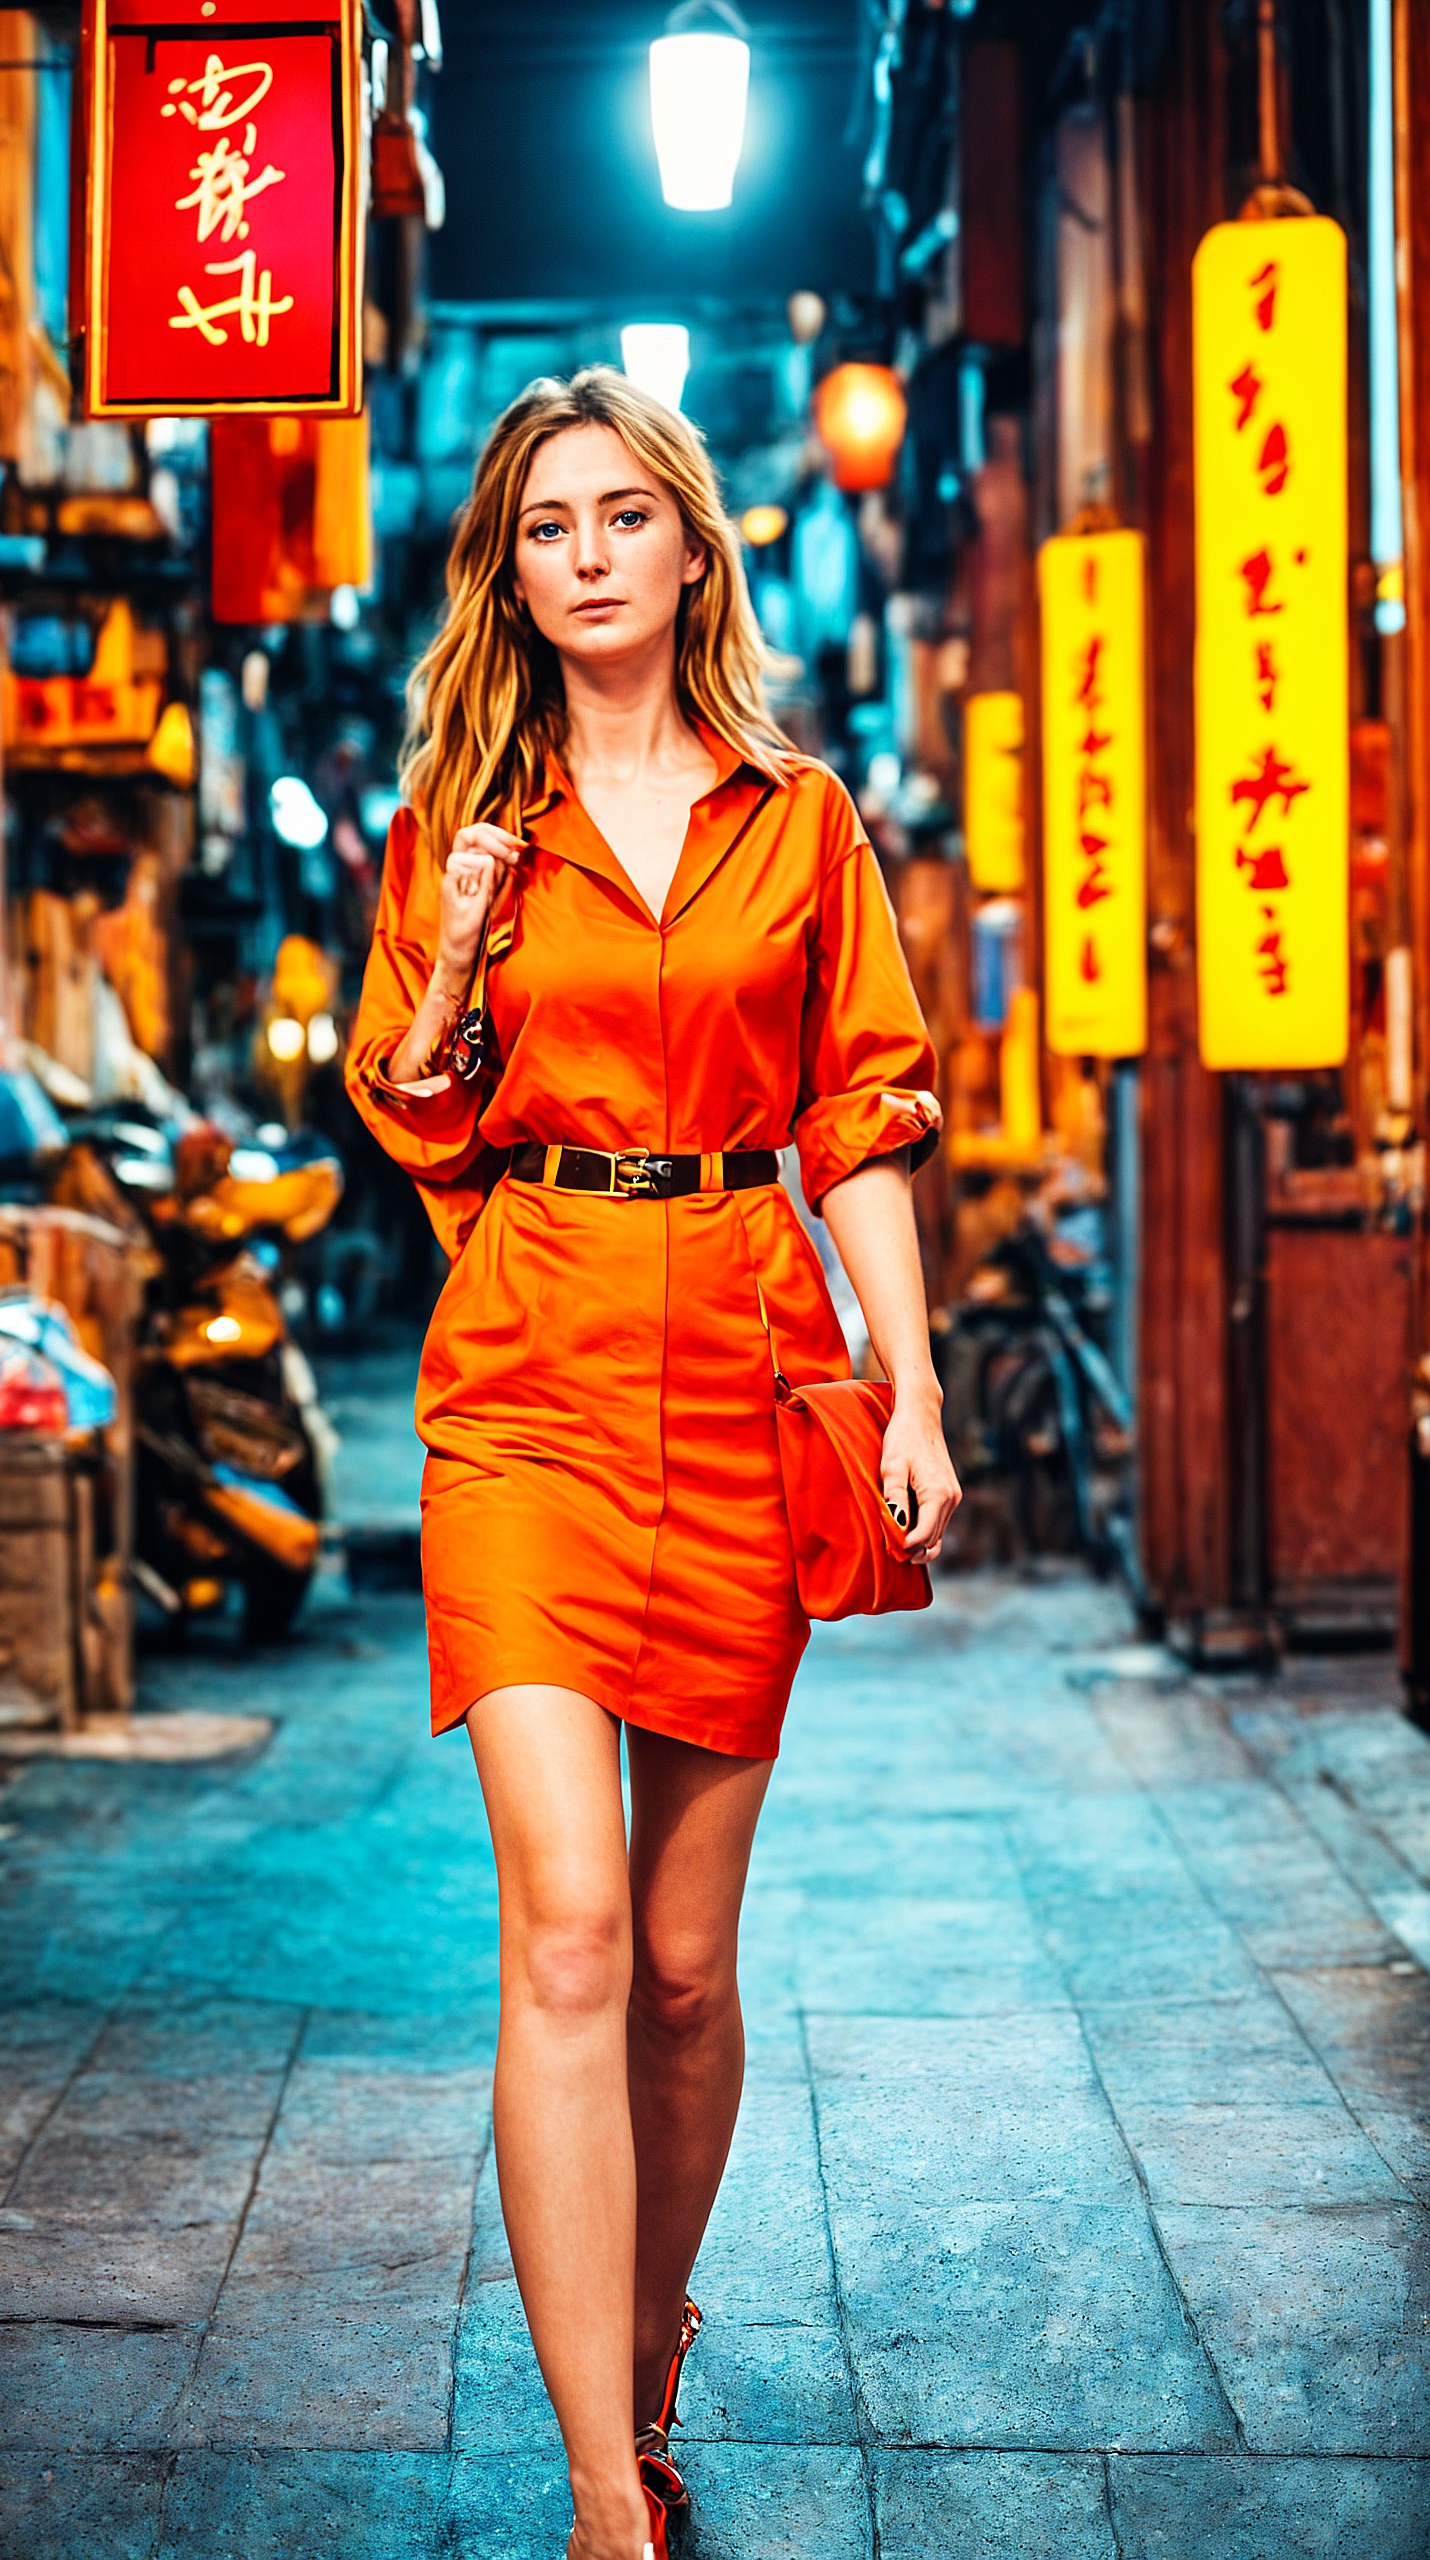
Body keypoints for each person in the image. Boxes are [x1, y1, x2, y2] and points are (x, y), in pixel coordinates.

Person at [347, 369, 960, 2560]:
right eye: (544, 527)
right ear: (506, 574)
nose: (586, 552)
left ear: (696, 549)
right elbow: (415, 1105)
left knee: (691, 1962)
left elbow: (861, 1115)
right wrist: (460, 940)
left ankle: (649, 2333)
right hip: (524, 1364)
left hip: (737, 1358)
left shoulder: (799, 819)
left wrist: (916, 1381)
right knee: (576, 1928)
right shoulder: (464, 817)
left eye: (624, 516)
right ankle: (608, 2485)